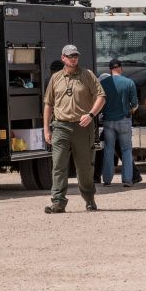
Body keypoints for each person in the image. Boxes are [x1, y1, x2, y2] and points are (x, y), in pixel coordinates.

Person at [42, 44, 106, 213]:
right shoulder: (55, 78)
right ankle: (58, 202)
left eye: (75, 56)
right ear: (63, 58)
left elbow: (101, 97)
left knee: (84, 167)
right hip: (61, 126)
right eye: (70, 56)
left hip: (82, 127)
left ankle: (89, 198)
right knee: (58, 165)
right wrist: (46, 129)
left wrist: (91, 115)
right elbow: (48, 104)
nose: (73, 59)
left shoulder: (87, 75)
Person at [97, 58, 139, 186]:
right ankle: (127, 180)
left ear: (110, 70)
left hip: (108, 121)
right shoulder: (129, 83)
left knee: (108, 149)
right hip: (124, 120)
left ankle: (107, 179)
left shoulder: (104, 83)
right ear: (120, 68)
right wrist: (130, 111)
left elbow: (100, 102)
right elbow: (135, 104)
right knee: (126, 150)